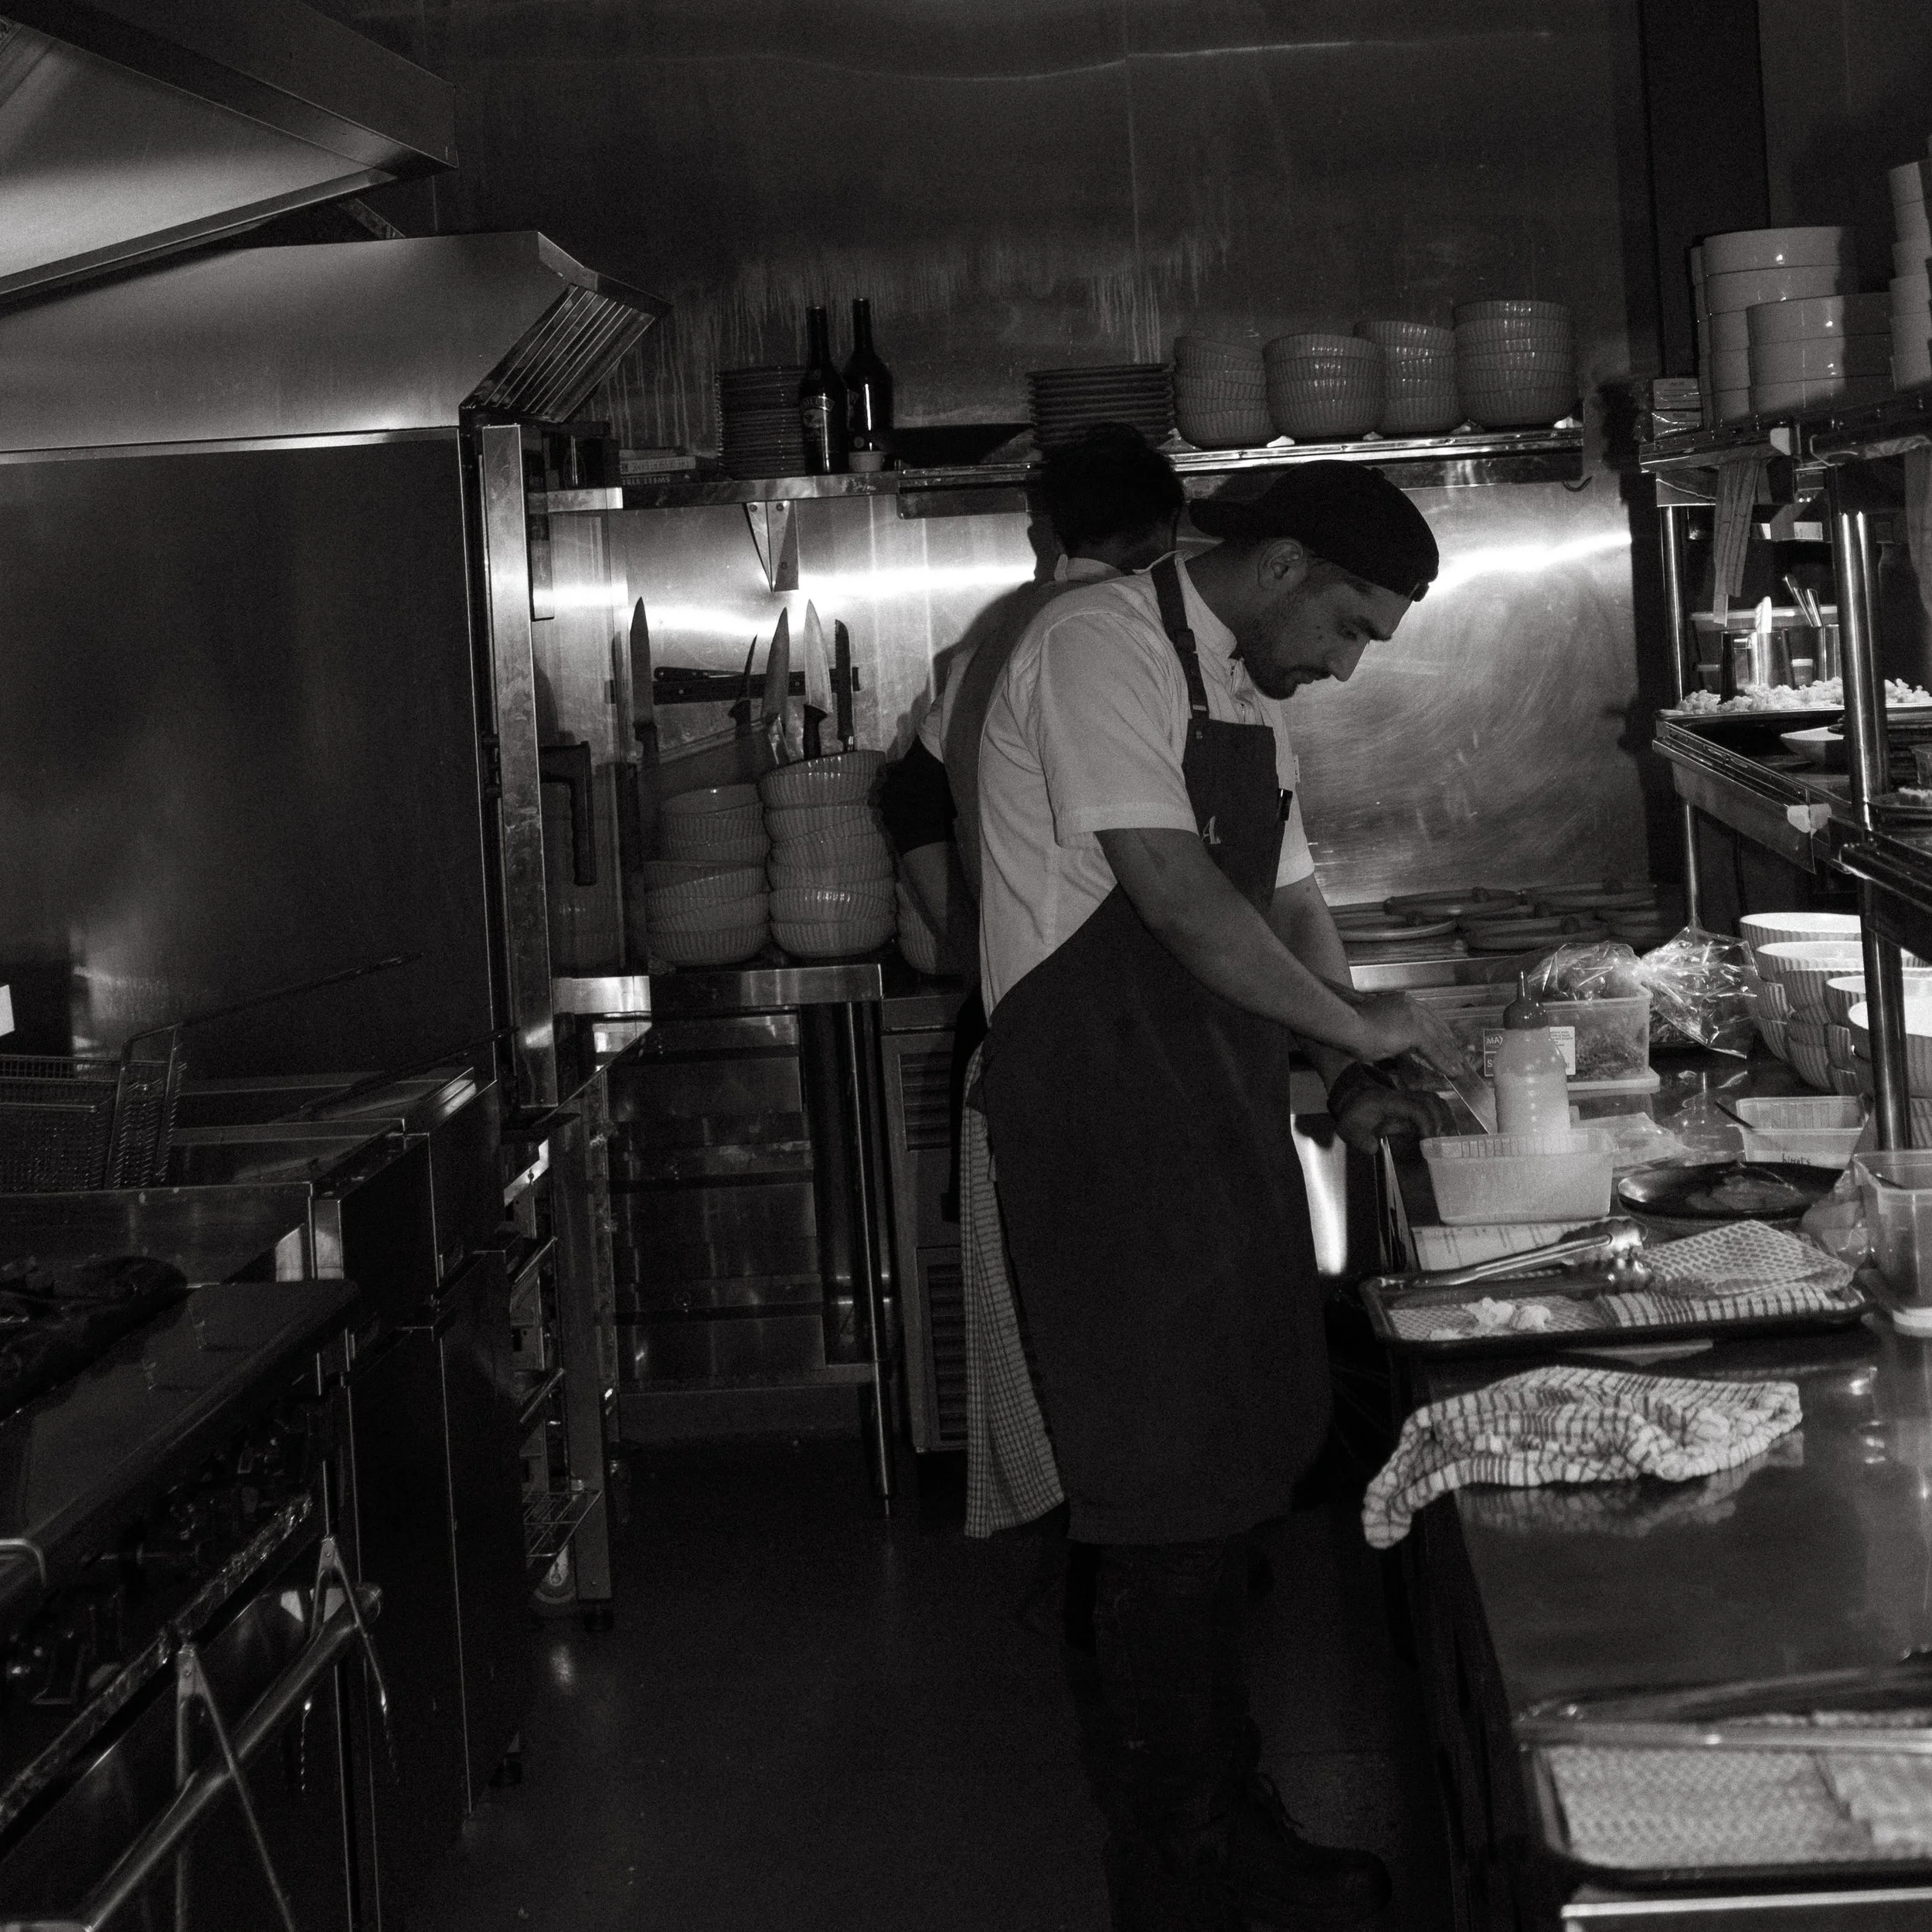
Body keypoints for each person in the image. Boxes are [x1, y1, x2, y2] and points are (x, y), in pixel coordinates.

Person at [974, 461, 1450, 1932]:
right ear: (1286, 563)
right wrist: (1356, 1035)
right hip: (1102, 1133)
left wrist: (1346, 1044)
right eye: (1353, 626)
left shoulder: (1236, 682)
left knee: (1228, 1480)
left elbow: (1289, 898)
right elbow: (1175, 892)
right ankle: (1181, 1876)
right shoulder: (1097, 645)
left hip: (1208, 1115)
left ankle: (1228, 1824)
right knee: (1160, 1512)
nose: (1348, 662)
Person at [879, 427, 1185, 1549]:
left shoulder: (1001, 635)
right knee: (1119, 1317)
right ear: (1173, 524)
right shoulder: (1136, 633)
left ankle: (1118, 1550)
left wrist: (968, 931)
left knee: (1064, 1312)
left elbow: (906, 792)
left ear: (1043, 525)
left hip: (1022, 1003)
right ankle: (1141, 1551)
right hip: (1087, 1021)